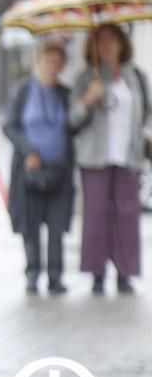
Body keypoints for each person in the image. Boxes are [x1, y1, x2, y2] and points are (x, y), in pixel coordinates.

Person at [70, 23, 147, 295]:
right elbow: (71, 120)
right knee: (96, 217)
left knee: (127, 216)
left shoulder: (135, 76)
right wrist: (88, 99)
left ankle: (125, 273)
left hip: (128, 158)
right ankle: (97, 274)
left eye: (111, 39)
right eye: (100, 40)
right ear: (93, 45)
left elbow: (145, 115)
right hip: (94, 158)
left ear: (121, 43)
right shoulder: (85, 78)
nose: (106, 45)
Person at [3, 43, 75, 295]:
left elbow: (74, 126)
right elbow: (9, 126)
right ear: (38, 63)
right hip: (29, 170)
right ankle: (32, 273)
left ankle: (55, 277)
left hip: (59, 172)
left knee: (56, 228)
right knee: (30, 226)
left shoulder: (67, 94)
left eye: (57, 64)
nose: (52, 68)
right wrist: (28, 150)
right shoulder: (23, 91)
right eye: (48, 62)